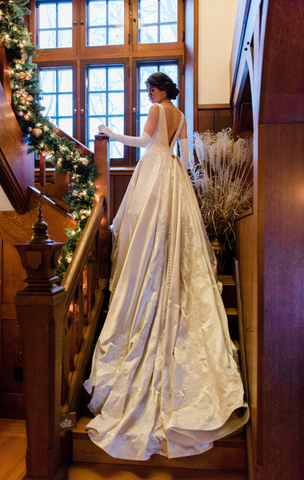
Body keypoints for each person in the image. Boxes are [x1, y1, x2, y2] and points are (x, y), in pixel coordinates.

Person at [84, 72, 249, 461]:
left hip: (155, 173)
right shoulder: (182, 115)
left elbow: (144, 143)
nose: (148, 95)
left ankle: (145, 281)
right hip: (174, 174)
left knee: (144, 233)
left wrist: (111, 131)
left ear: (158, 91)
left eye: (149, 90)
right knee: (170, 235)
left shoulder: (158, 110)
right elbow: (183, 151)